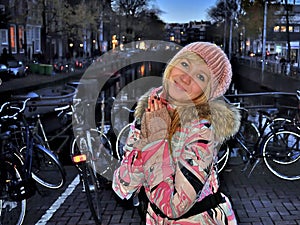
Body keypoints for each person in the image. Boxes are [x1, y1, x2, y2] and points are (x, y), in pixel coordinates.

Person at [112, 42, 241, 224]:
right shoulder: (151, 112)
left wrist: (155, 140)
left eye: (200, 77)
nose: (186, 78)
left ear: (207, 92)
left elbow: (172, 207)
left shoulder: (202, 130)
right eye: (185, 64)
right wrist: (150, 135)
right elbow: (123, 187)